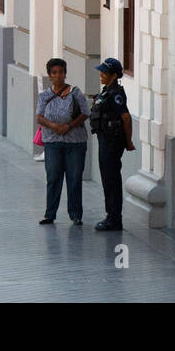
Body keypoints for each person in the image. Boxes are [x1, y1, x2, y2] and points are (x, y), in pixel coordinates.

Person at [36, 57, 89, 226]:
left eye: (61, 72)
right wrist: (53, 126)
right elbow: (39, 117)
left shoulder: (75, 93)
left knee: (74, 178)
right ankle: (50, 214)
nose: (58, 76)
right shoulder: (44, 95)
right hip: (52, 142)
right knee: (53, 177)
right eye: (54, 73)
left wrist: (69, 126)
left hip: (75, 143)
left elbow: (85, 112)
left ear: (65, 74)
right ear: (49, 75)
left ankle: (76, 215)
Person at [89, 57, 135, 231]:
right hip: (105, 140)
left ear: (114, 75)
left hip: (111, 142)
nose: (101, 74)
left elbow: (125, 117)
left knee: (111, 180)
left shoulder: (116, 94)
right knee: (107, 179)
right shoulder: (107, 91)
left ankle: (114, 218)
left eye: (105, 72)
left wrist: (128, 141)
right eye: (101, 71)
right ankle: (112, 216)